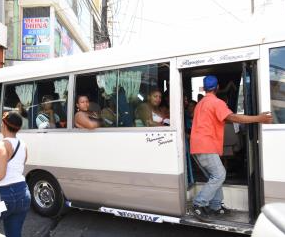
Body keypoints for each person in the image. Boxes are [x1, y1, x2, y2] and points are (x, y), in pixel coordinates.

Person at [190, 75, 273, 221]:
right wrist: (258, 118)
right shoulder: (216, 102)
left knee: (214, 177)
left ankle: (216, 207)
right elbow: (233, 117)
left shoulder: (200, 103)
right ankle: (198, 204)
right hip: (206, 146)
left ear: (204, 89)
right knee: (219, 175)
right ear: (217, 88)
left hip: (197, 146)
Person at [0, 111, 31, 237]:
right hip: (23, 195)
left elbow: (0, 175)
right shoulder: (23, 145)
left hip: (4, 197)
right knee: (14, 234)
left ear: (4, 124)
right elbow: (20, 167)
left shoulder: (3, 146)